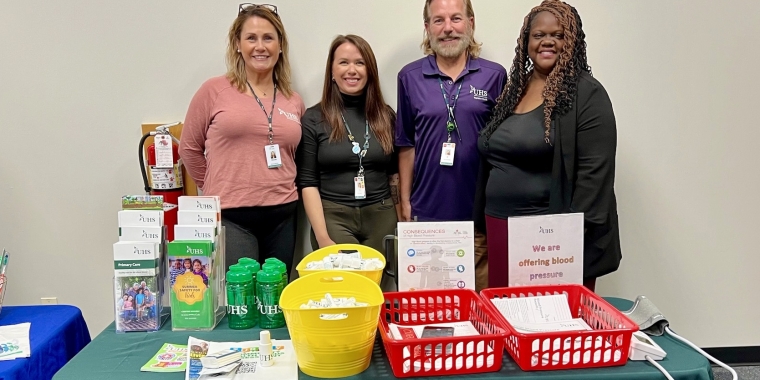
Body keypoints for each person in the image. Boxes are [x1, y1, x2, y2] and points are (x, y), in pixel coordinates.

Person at [476, 0, 621, 291]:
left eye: (558, 35)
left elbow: (595, 176)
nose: (547, 42)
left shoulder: (587, 95)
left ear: (572, 42)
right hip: (500, 226)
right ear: (526, 41)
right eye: (539, 35)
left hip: (549, 238)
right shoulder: (515, 87)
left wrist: (563, 242)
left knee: (547, 325)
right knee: (504, 319)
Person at [180, 4, 305, 276]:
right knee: (242, 303)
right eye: (251, 38)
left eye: (268, 38)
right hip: (232, 217)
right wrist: (215, 185)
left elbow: (297, 156)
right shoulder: (214, 90)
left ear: (280, 46)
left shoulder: (293, 100)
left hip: (283, 214)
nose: (260, 46)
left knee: (276, 303)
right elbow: (188, 148)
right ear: (237, 45)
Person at [396, 0, 506, 290]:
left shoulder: (495, 76)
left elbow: (502, 145)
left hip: (479, 213)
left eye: (456, 19)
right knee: (431, 309)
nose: (448, 28)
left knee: (480, 306)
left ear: (470, 22)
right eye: (438, 20)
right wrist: (405, 200)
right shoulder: (409, 77)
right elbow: (406, 143)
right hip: (427, 212)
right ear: (427, 27)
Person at [297, 35, 399, 253]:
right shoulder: (314, 118)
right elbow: (307, 182)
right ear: (332, 71)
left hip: (382, 214)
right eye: (344, 62)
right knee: (348, 281)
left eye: (360, 63)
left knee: (378, 284)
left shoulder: (386, 116)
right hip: (334, 216)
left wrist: (402, 224)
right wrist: (322, 236)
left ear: (369, 70)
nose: (352, 70)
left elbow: (394, 175)